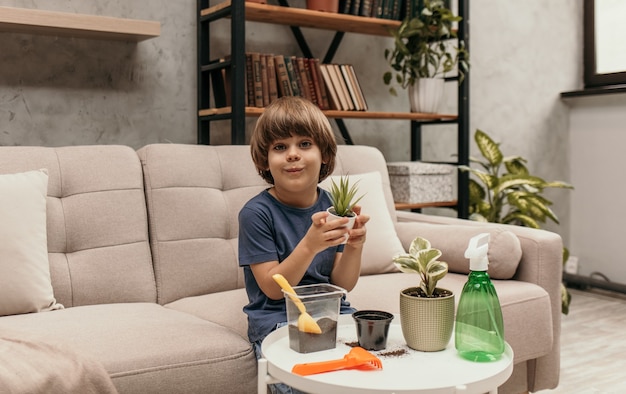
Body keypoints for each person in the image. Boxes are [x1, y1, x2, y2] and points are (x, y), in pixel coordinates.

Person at [238, 96, 369, 394]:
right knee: (302, 385)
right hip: (277, 320)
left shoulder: (334, 206)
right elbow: (272, 289)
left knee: (369, 372)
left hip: (334, 311)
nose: (292, 155)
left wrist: (354, 246)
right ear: (264, 160)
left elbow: (341, 283)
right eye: (280, 147)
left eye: (305, 144)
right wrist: (309, 245)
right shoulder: (256, 214)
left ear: (324, 154)